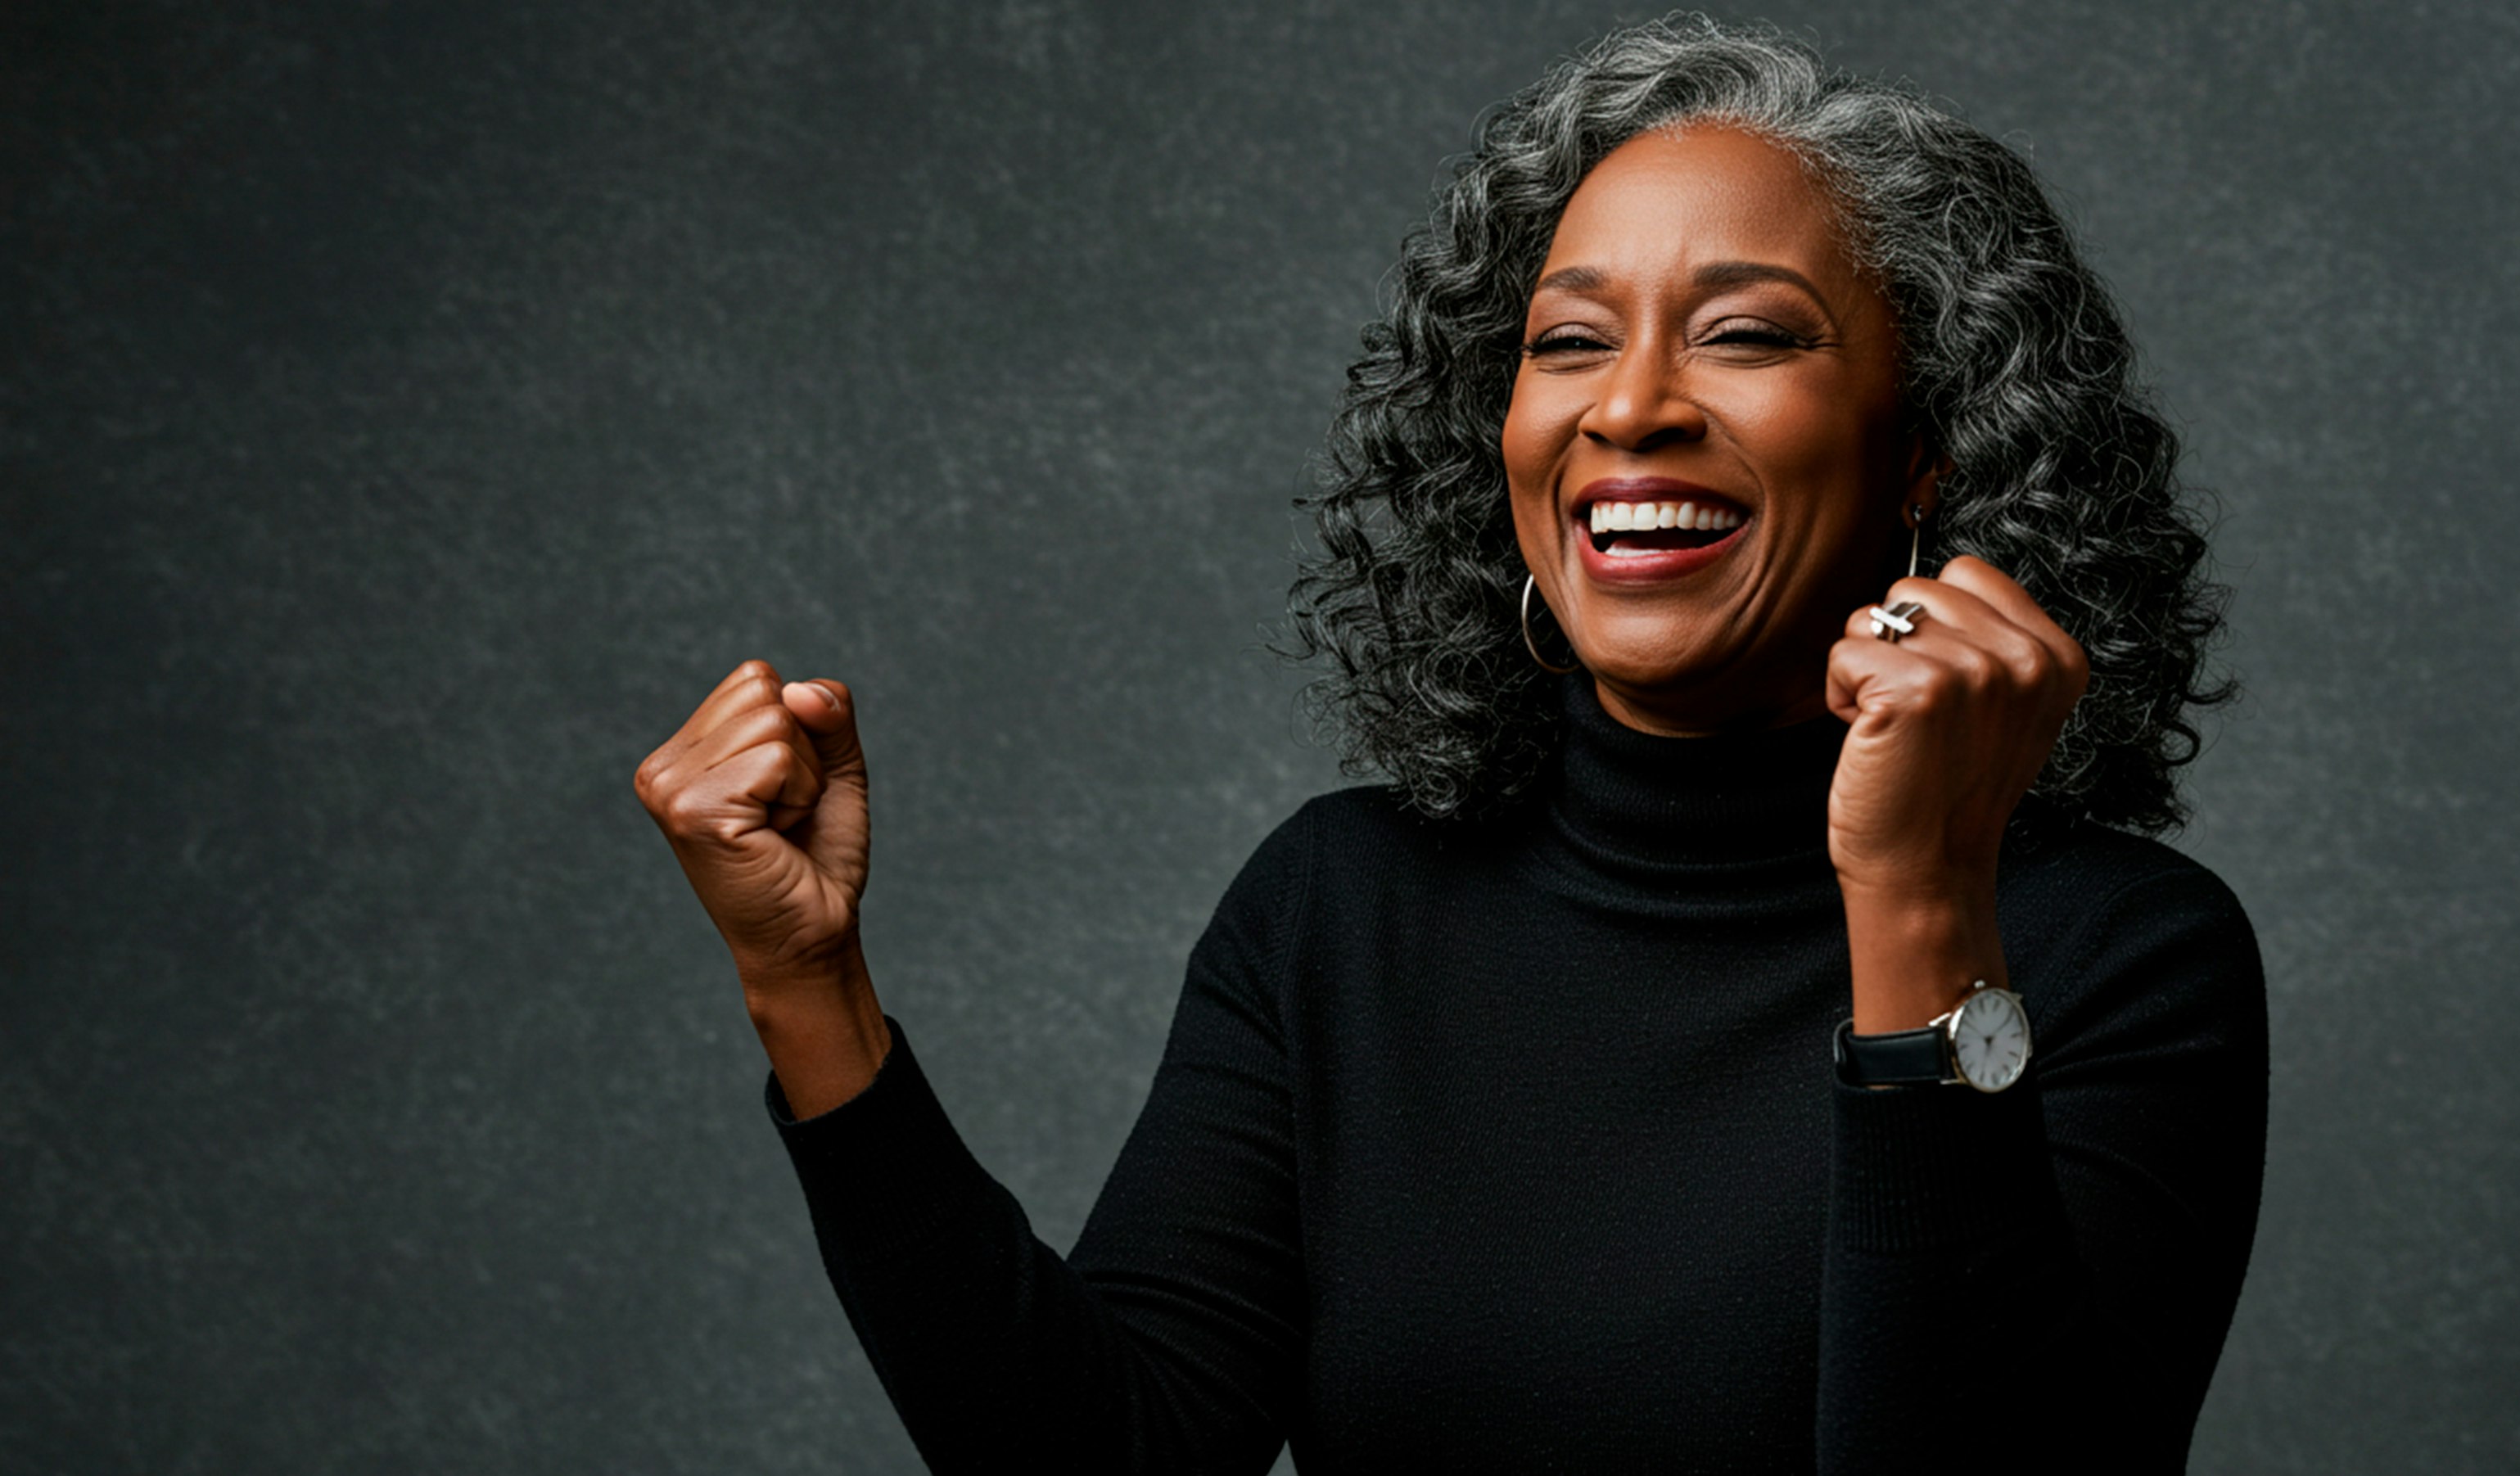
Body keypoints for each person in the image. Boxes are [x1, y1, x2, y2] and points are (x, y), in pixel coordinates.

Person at [633, 16, 2263, 1473]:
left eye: (1746, 335)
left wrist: (1913, 901)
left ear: (1922, 448)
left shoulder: (2123, 953)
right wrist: (807, 986)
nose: (1629, 407)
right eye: (1568, 341)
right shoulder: (1340, 906)